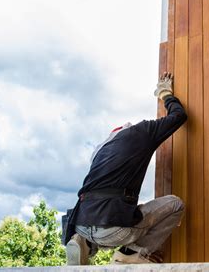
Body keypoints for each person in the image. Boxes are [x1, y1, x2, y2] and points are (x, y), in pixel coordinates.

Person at [64, 72, 187, 265]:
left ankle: (82, 243)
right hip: (113, 229)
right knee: (175, 205)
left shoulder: (100, 151)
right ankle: (132, 254)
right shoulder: (142, 131)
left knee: (108, 206)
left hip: (79, 223)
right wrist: (165, 94)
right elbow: (179, 116)